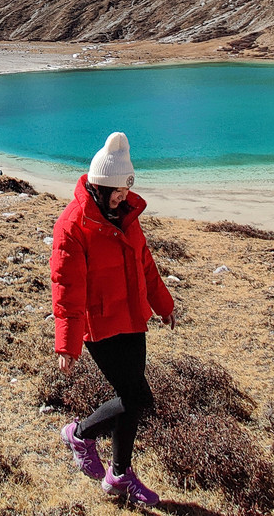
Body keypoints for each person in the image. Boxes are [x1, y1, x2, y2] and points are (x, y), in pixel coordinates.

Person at [50, 132, 175, 505]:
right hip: (100, 324)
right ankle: (80, 433)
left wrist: (163, 304)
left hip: (133, 317)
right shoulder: (72, 226)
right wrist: (68, 343)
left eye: (126, 188)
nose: (123, 196)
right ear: (99, 186)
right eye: (117, 190)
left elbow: (145, 265)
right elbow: (66, 287)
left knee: (133, 400)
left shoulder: (126, 216)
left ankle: (118, 476)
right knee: (136, 398)